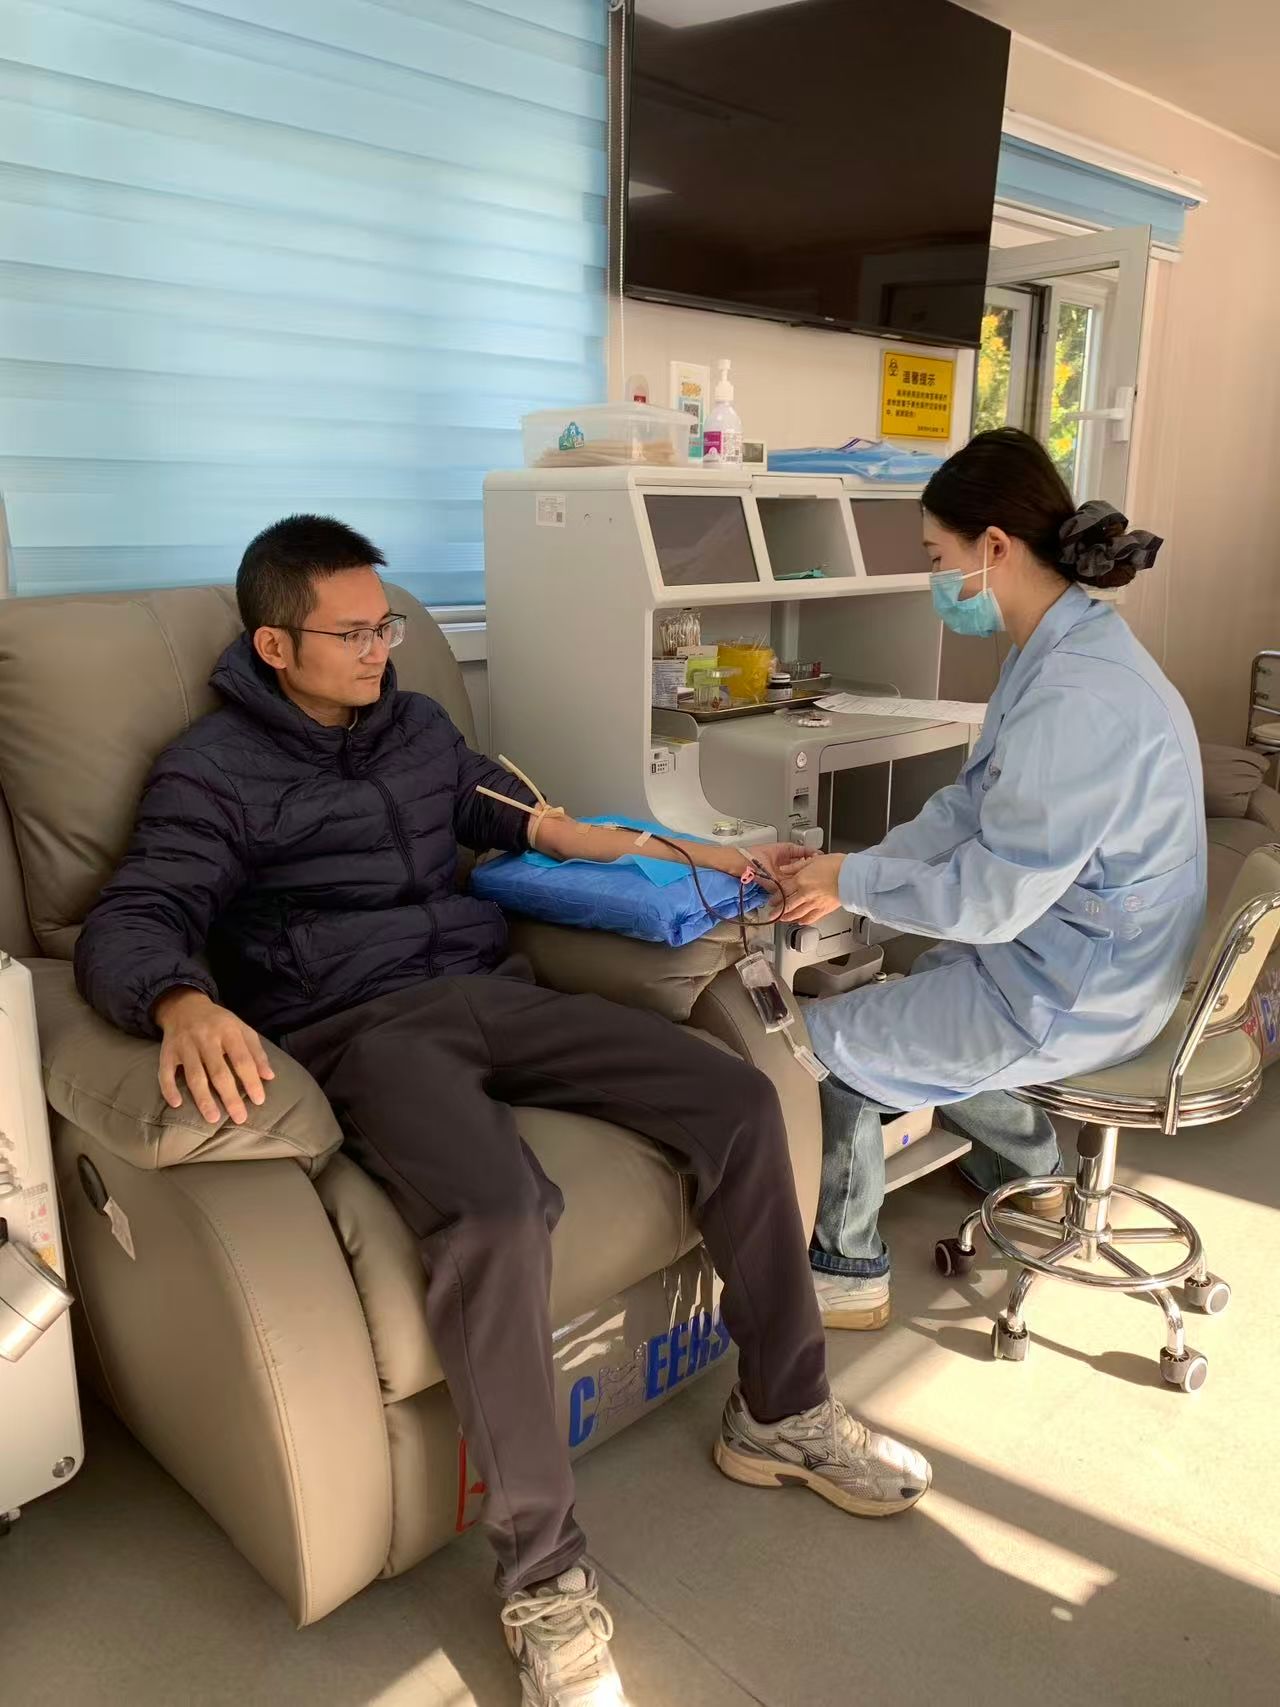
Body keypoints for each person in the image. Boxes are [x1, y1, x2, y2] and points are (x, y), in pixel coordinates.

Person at [74, 514, 931, 1707]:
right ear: (274, 644)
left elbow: (544, 823)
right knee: (495, 1213)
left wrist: (701, 854)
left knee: (736, 1096)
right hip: (361, 1030)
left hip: (491, 989)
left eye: (385, 626)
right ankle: (544, 1581)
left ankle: (779, 1415)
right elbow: (134, 913)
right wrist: (180, 1002)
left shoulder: (416, 729)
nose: (380, 649)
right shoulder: (211, 772)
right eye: (352, 633)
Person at [762, 428, 1205, 1331]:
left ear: (994, 546)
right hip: (1101, 960)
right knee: (926, 983)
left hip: (1079, 990)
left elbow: (988, 900)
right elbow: (971, 806)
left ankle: (849, 1271)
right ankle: (1032, 1172)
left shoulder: (1074, 697)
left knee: (821, 1047)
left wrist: (854, 884)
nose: (935, 578)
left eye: (937, 557)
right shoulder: (1064, 647)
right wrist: (857, 870)